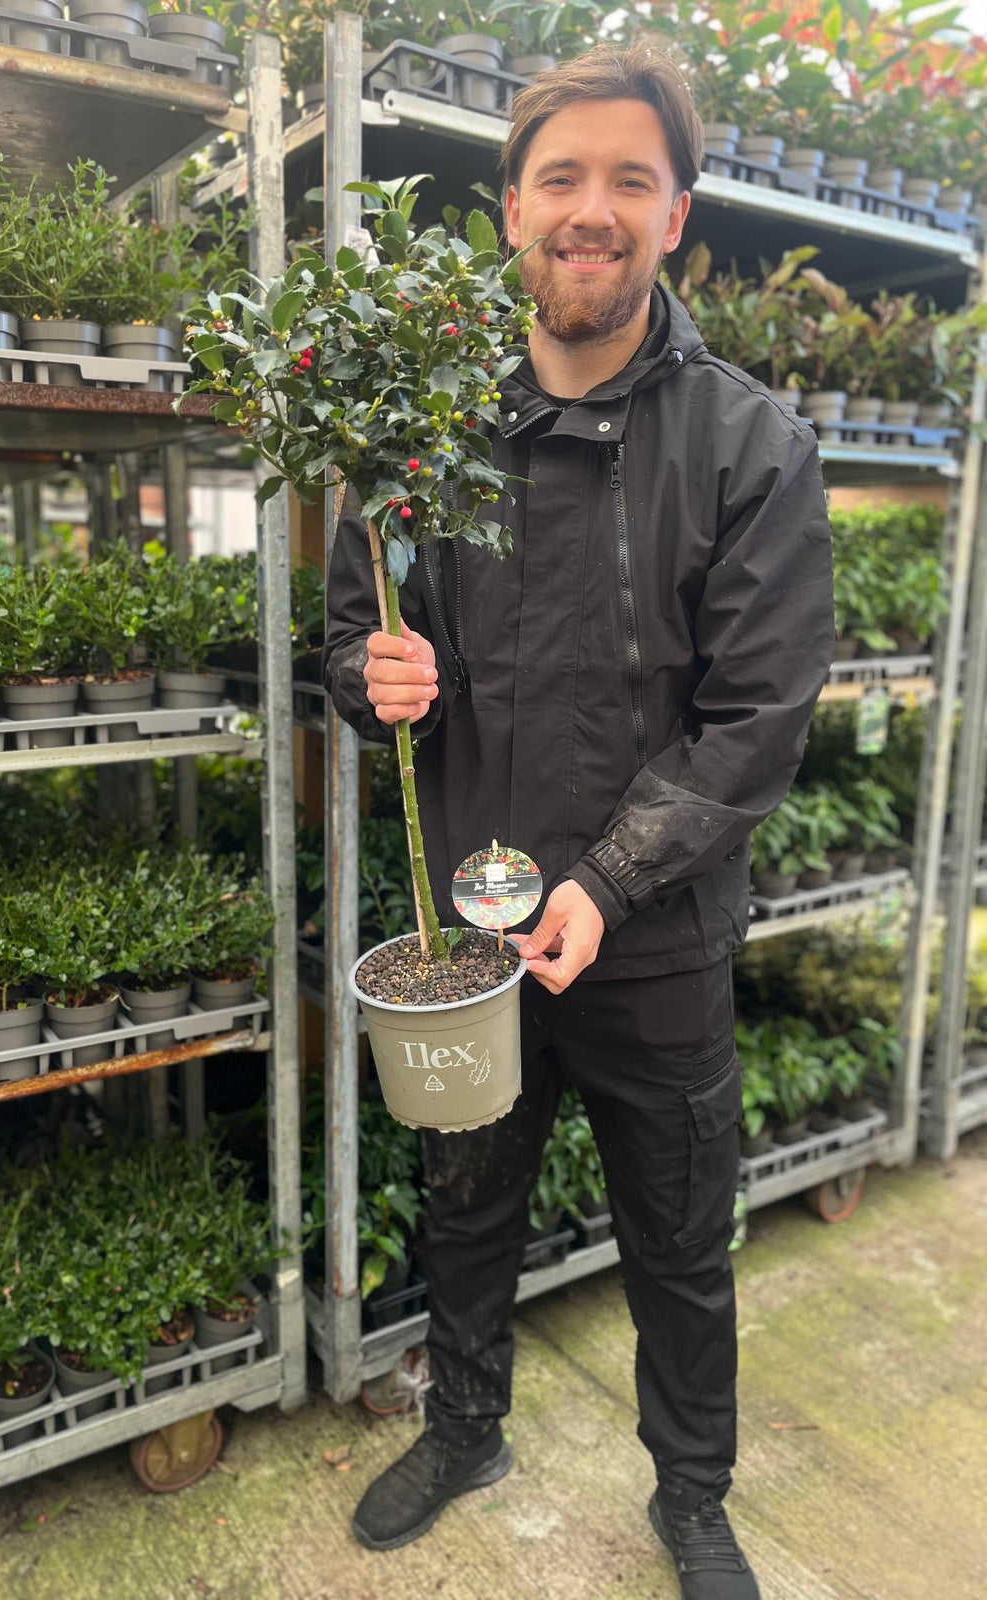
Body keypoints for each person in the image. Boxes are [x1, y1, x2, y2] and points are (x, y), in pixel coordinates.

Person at [322, 43, 833, 1600]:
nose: (590, 209)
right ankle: (466, 1423)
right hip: (469, 933)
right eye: (561, 179)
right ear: (511, 213)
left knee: (680, 1237)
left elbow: (756, 715)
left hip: (654, 934)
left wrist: (610, 880)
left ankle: (692, 1497)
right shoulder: (421, 444)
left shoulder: (751, 447)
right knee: (466, 1198)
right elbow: (349, 640)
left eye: (628, 179)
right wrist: (375, 676)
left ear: (677, 215)